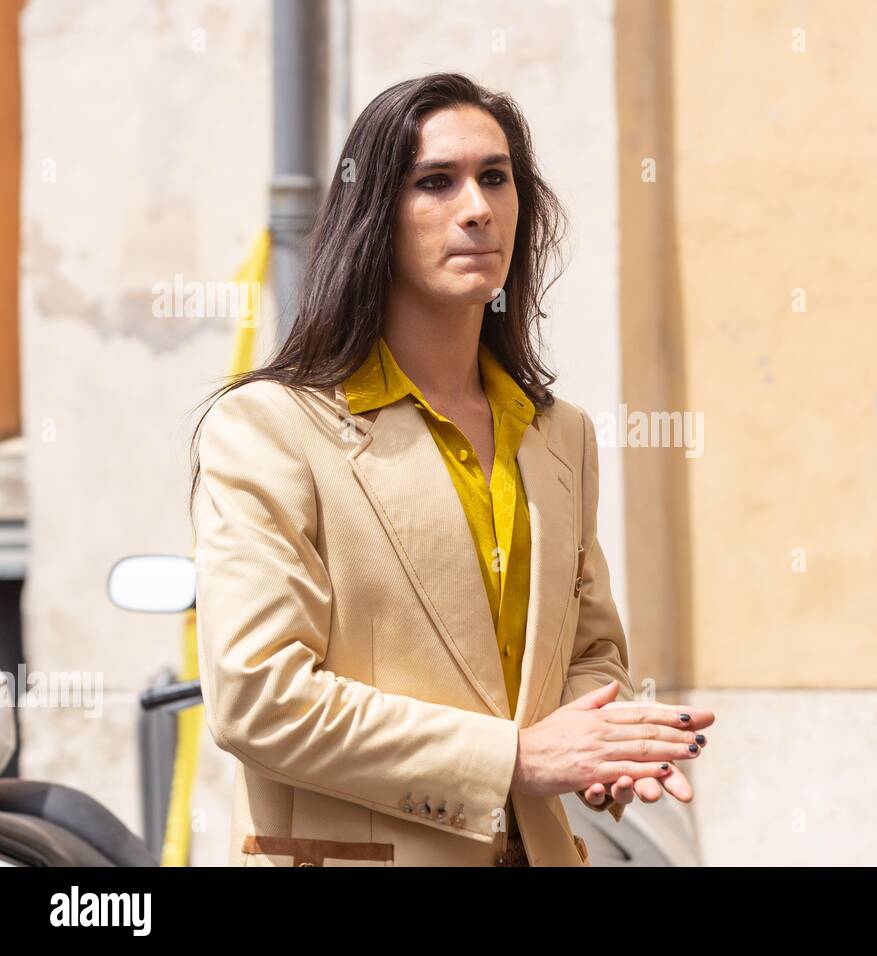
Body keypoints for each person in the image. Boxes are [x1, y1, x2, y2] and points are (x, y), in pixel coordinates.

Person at [186, 72, 713, 867]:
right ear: (375, 220)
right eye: (436, 182)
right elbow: (257, 699)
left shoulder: (558, 435)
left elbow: (590, 653)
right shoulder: (272, 429)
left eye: (495, 178)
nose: (477, 207)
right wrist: (519, 759)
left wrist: (605, 738)